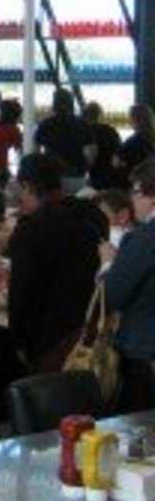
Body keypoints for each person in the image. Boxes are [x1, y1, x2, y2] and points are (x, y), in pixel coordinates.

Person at [8, 153, 108, 372]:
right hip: (91, 335)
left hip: (48, 338)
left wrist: (17, 341)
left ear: (26, 186)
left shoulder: (30, 230)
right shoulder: (94, 217)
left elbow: (21, 294)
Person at [101, 158, 155, 411]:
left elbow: (112, 296)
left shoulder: (142, 239)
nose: (132, 201)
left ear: (151, 195)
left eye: (134, 192)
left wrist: (108, 264)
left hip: (144, 352)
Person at [35, 88, 96, 192]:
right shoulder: (83, 124)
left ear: (54, 104)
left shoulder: (46, 124)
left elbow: (36, 151)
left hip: (52, 176)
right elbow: (92, 153)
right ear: (72, 103)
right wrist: (84, 168)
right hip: (77, 175)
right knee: (76, 206)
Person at [84, 101, 126, 190]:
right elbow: (119, 151)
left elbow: (88, 158)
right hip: (111, 174)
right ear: (100, 114)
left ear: (86, 115)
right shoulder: (110, 130)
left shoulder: (84, 131)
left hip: (95, 175)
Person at [118, 104, 155, 177]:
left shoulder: (133, 141)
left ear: (135, 119)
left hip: (140, 184)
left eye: (130, 118)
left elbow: (117, 162)